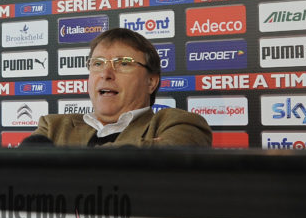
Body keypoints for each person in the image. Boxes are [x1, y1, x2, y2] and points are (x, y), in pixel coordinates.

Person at [24, 28, 212, 147]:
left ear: (151, 82)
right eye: (97, 63)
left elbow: (160, 166)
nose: (106, 73)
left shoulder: (180, 124)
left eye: (123, 63)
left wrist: (57, 158)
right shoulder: (53, 127)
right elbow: (20, 176)